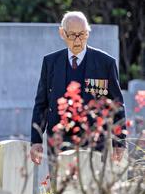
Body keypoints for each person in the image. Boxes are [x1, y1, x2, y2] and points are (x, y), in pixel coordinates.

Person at [30, 11, 126, 170]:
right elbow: (42, 103)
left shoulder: (105, 63)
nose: (77, 40)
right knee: (59, 190)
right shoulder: (51, 62)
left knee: (90, 190)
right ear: (62, 33)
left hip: (94, 140)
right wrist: (36, 141)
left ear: (88, 33)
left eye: (82, 34)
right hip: (58, 139)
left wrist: (119, 141)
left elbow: (117, 104)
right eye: (72, 35)